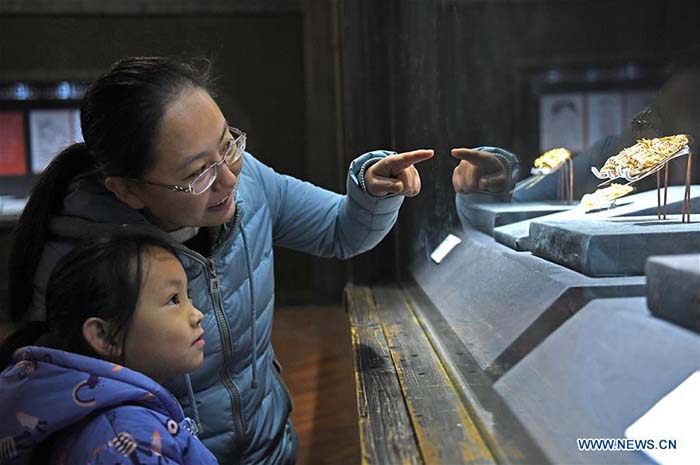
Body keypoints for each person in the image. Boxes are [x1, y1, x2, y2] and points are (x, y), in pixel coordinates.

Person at [5, 56, 433, 464]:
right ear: (127, 191)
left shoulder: (245, 180)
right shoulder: (82, 268)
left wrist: (371, 189)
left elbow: (340, 230)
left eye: (229, 145)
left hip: (270, 446)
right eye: (197, 174)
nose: (229, 177)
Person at [0, 234, 218, 464]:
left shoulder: (120, 416)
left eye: (188, 296)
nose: (197, 315)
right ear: (104, 336)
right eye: (174, 299)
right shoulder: (125, 439)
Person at [451, 67, 700, 227]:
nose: (653, 127)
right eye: (659, 113)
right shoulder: (611, 157)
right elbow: (508, 214)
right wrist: (489, 182)